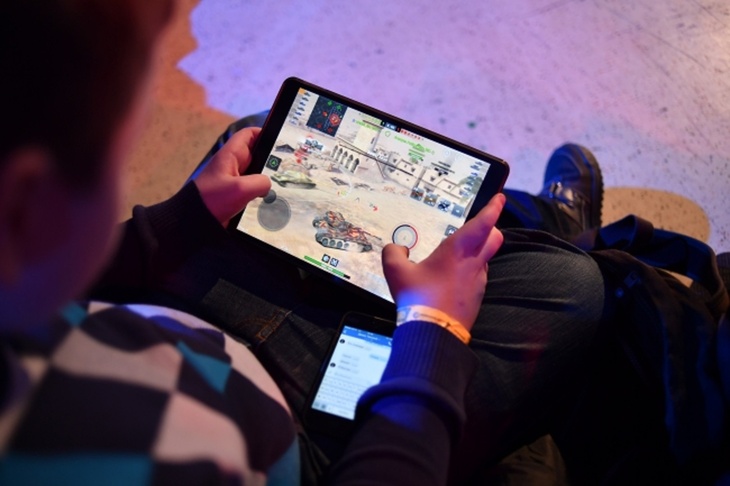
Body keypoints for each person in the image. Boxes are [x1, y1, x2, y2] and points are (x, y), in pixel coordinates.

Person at [0, 0, 608, 484]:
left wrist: (177, 222)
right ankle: (550, 225)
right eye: (119, 151)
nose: (187, 59)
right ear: (26, 205)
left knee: (257, 138)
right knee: (570, 284)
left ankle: (524, 221)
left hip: (171, 317)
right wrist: (433, 330)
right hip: (300, 438)